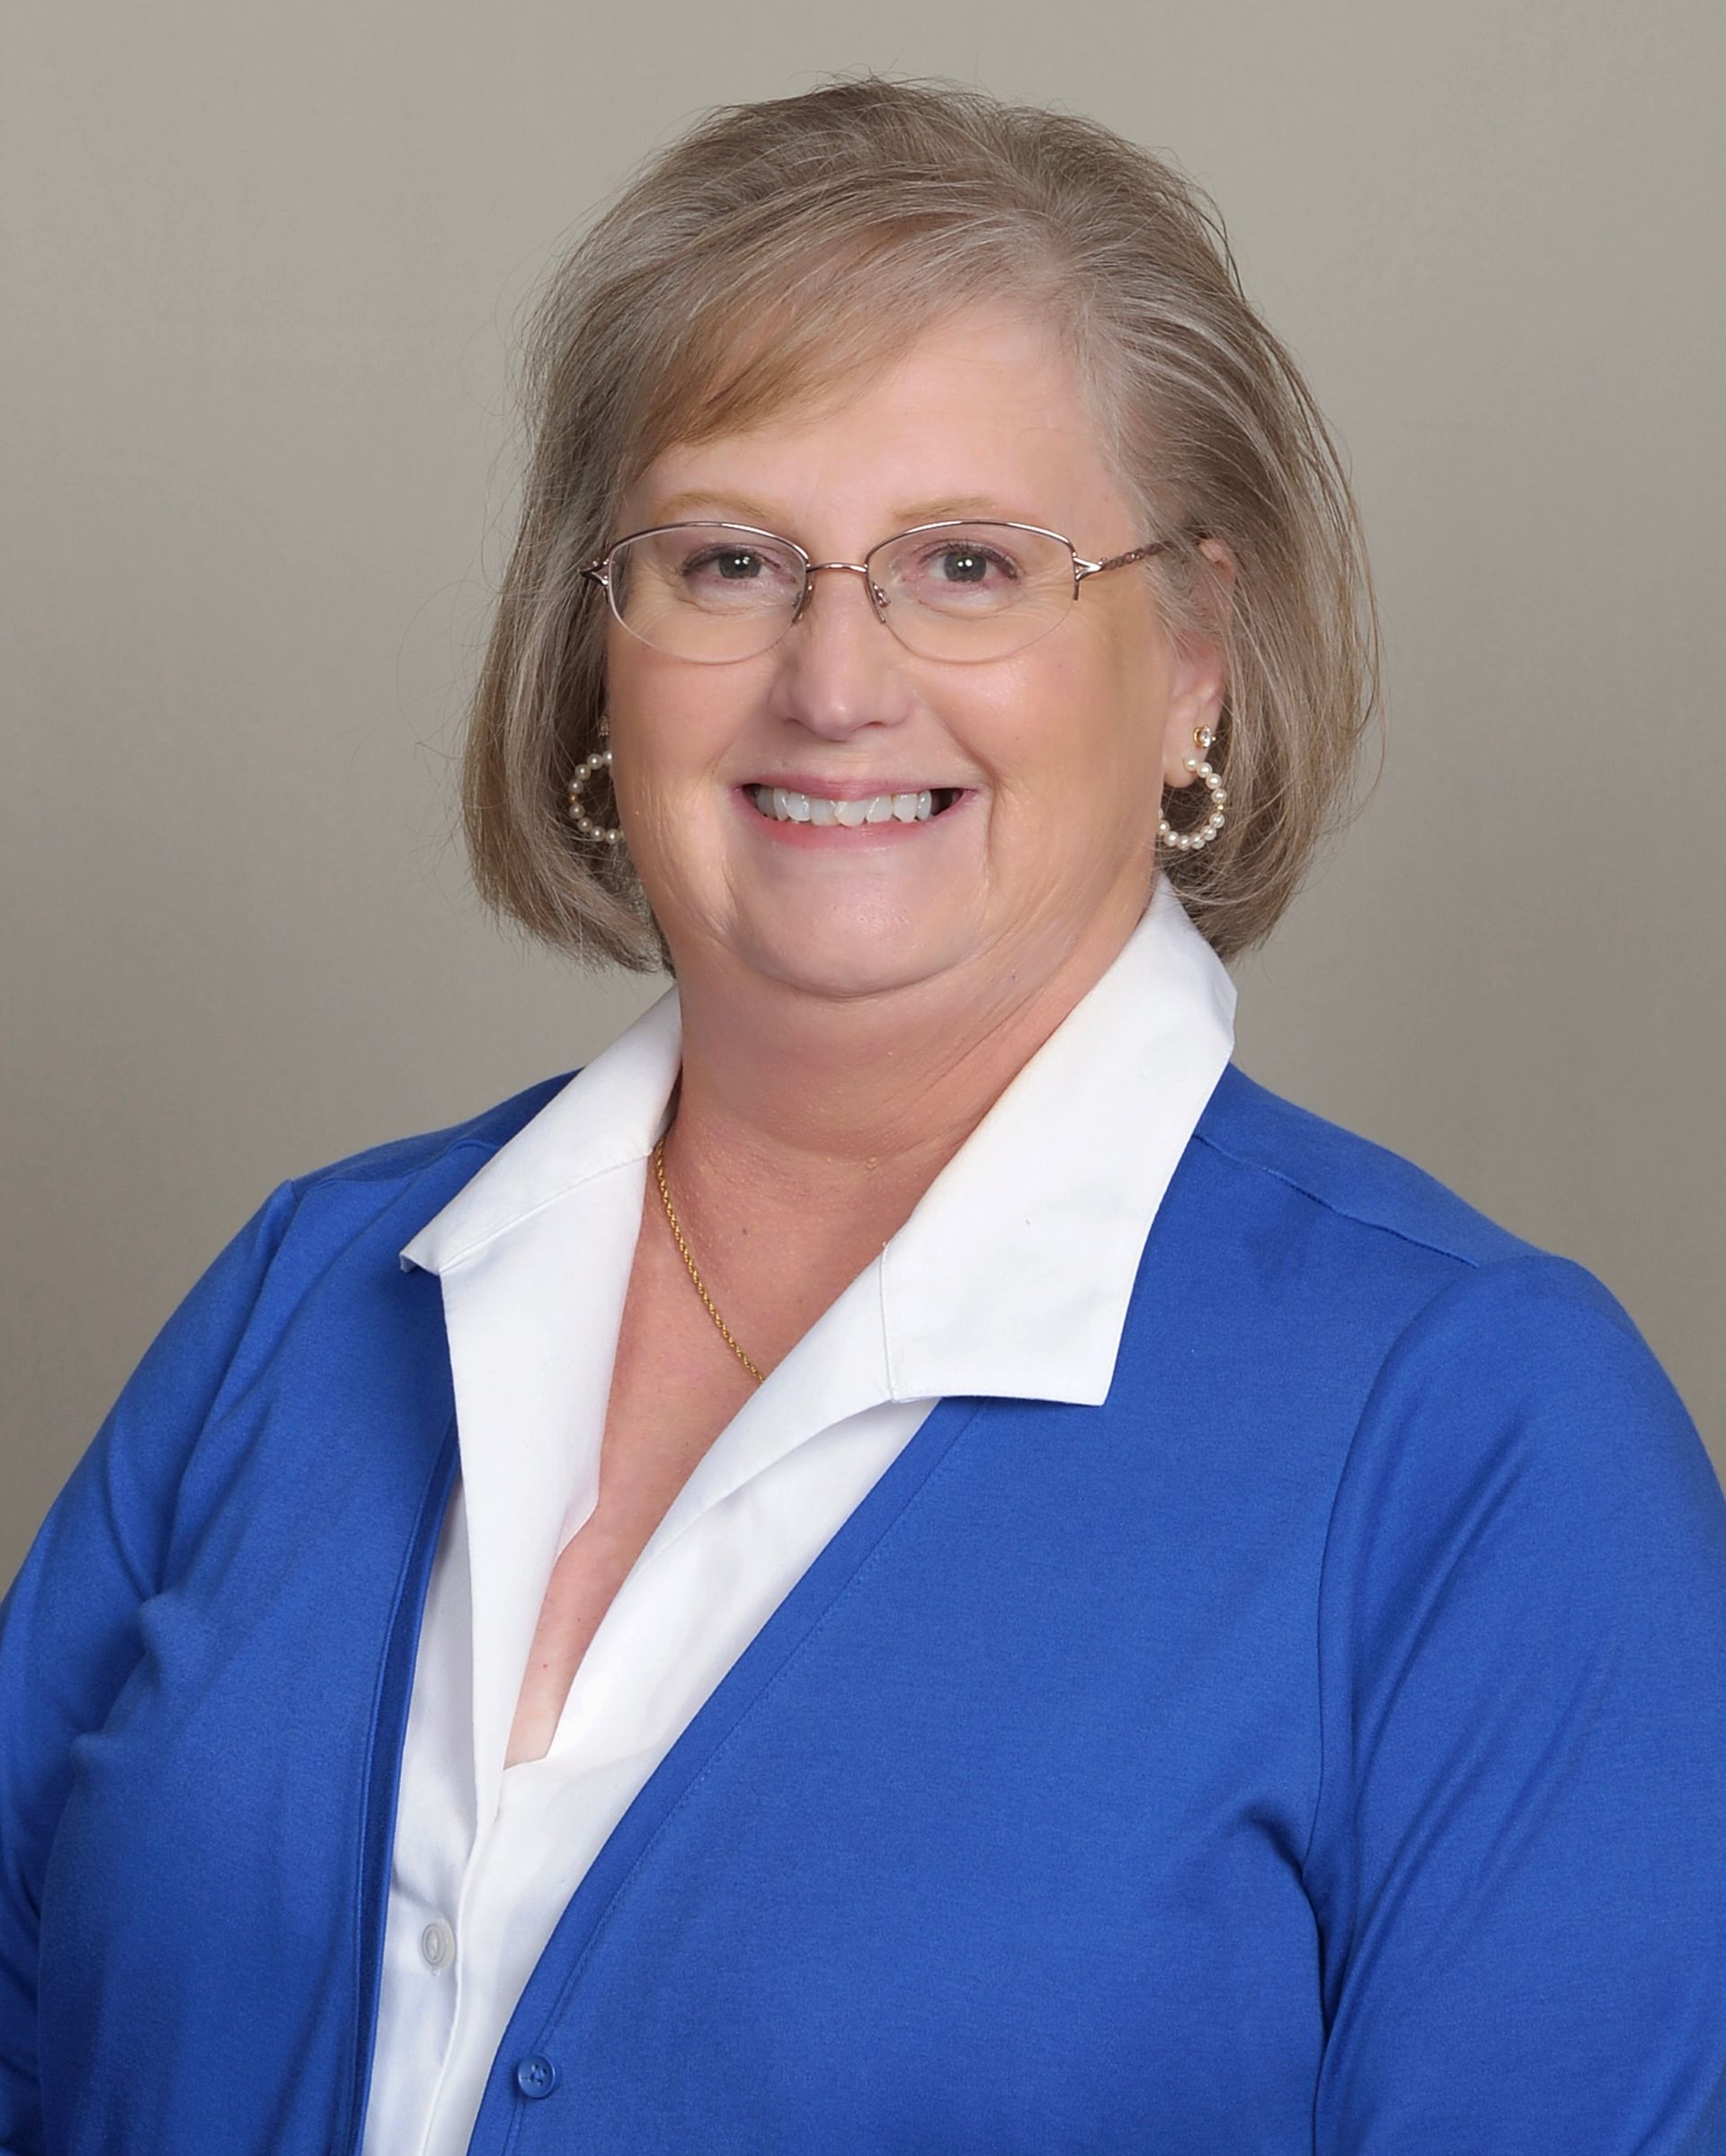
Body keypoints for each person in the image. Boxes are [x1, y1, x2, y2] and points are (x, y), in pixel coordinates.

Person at [4, 75, 1724, 2156]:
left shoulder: (1483, 1442)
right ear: (596, 657)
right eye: (730, 560)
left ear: (1195, 657)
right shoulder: (314, 1293)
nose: (835, 680)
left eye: (970, 565)